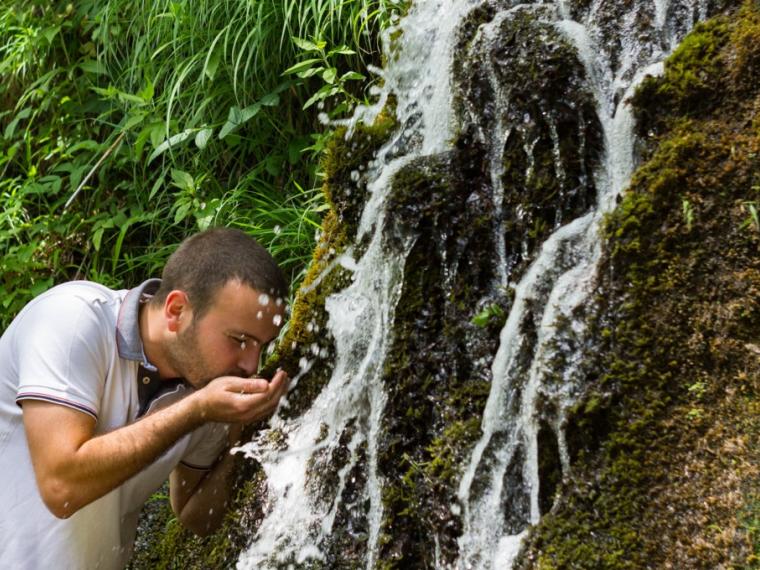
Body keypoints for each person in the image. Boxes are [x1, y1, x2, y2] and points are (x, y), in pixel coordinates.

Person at [0, 227, 290, 569]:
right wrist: (194, 410)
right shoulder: (73, 320)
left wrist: (245, 435)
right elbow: (62, 487)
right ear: (176, 310)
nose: (251, 364)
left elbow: (196, 517)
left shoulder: (209, 391)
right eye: (239, 339)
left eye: (263, 345)